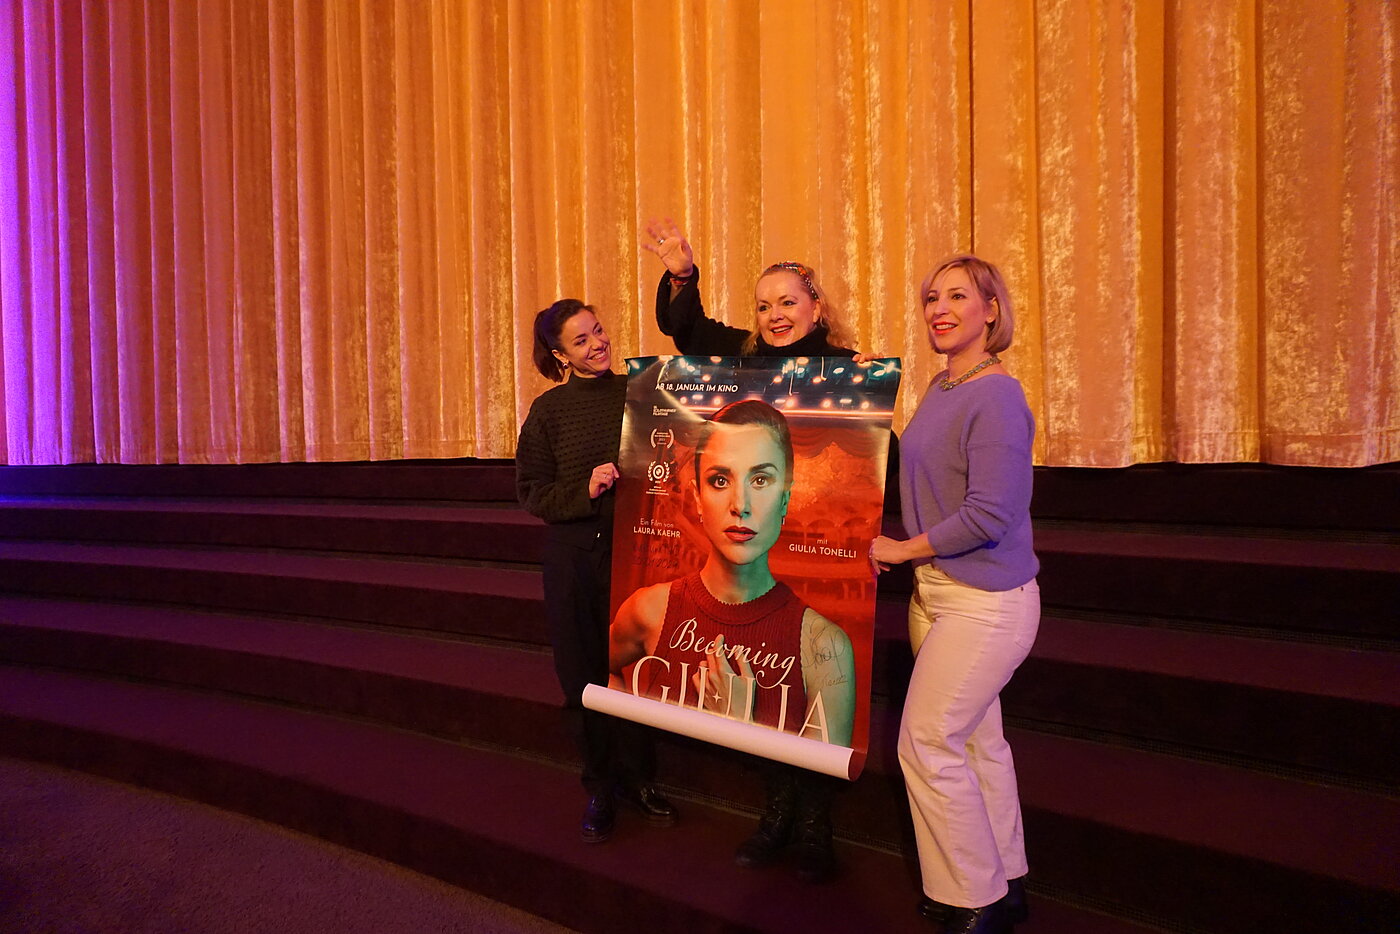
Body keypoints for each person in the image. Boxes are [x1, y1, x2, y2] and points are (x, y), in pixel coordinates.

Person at [636, 223, 859, 882]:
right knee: (768, 685)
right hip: (756, 558)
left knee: (810, 687)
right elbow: (688, 332)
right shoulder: (746, 359)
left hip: (820, 555)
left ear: (816, 307)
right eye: (764, 306)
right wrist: (682, 276)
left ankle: (815, 825)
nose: (775, 315)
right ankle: (777, 813)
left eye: (788, 302)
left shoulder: (850, 370)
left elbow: (877, 463)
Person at [870, 255, 1039, 934]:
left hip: (986, 601)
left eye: (958, 296)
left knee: (927, 742)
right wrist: (856, 405)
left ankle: (976, 899)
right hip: (936, 595)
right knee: (976, 744)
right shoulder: (943, 385)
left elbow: (990, 513)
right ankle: (1006, 880)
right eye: (931, 297)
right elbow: (917, 472)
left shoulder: (996, 395)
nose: (939, 309)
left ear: (991, 310)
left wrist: (902, 549)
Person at [516, 298, 678, 844]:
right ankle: (600, 785)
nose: (598, 344)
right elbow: (531, 492)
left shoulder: (641, 390)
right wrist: (583, 489)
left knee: (637, 670)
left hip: (637, 553)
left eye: (599, 331)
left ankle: (639, 779)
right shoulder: (548, 411)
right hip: (573, 559)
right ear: (560, 355)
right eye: (581, 340)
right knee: (582, 676)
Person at [609, 399, 856, 746]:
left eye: (761, 479)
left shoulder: (826, 647)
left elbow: (819, 779)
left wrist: (741, 725)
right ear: (698, 498)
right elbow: (600, 670)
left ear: (785, 498)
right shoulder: (648, 609)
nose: (740, 505)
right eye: (720, 480)